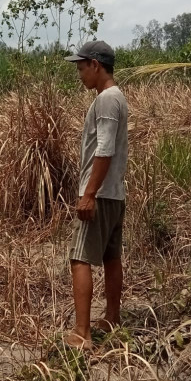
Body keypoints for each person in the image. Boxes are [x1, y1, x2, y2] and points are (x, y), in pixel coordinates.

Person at [63, 40, 128, 350]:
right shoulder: (116, 98)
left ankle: (82, 333)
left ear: (95, 65)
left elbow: (104, 149)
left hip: (100, 194)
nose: (80, 75)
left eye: (81, 68)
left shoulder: (106, 100)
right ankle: (112, 318)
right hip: (114, 193)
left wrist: (88, 194)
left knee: (79, 259)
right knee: (111, 257)